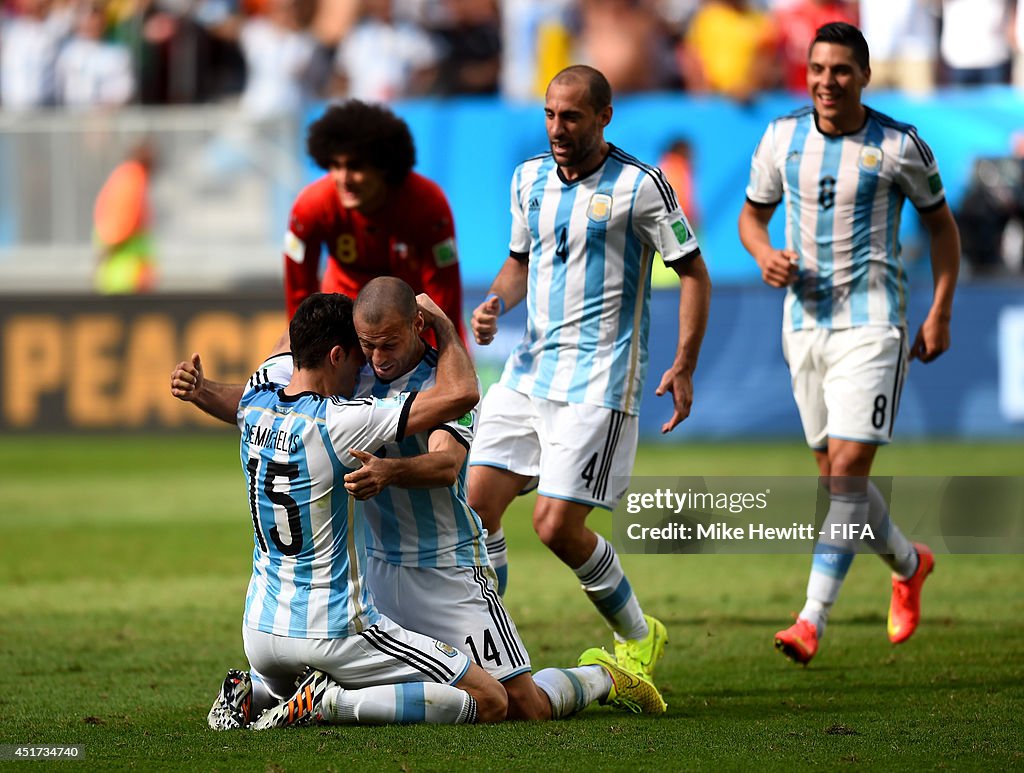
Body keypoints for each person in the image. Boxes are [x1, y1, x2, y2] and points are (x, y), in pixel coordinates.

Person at [173, 280, 667, 724]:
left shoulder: (440, 382)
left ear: (417, 325)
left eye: (389, 344)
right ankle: (273, 696)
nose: (380, 358)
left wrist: (391, 468)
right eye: (368, 346)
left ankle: (602, 675)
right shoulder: (349, 375)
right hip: (378, 573)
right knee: (371, 676)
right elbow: (261, 397)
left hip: (447, 570)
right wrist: (203, 390)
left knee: (524, 707)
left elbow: (446, 466)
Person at [467, 64, 712, 683]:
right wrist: (498, 300)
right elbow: (519, 263)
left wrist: (684, 363)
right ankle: (489, 651)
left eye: (571, 116)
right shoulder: (527, 180)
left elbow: (693, 274)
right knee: (475, 505)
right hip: (528, 373)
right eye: (550, 114)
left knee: (555, 525)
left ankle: (637, 634)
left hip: (599, 381)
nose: (557, 127)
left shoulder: (642, 185)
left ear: (604, 116)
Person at [173, 290, 508, 728]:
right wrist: (444, 324)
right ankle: (328, 703)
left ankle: (257, 693)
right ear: (335, 355)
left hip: (258, 631)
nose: (365, 369)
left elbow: (236, 396)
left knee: (284, 677)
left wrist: (201, 390)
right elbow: (462, 394)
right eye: (358, 357)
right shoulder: (341, 418)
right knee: (491, 699)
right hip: (331, 630)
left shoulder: (256, 399)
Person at [737, 22, 961, 665]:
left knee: (846, 477)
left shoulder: (898, 145)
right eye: (817, 69)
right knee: (840, 482)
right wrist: (762, 254)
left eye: (841, 71)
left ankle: (810, 620)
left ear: (864, 76)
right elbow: (752, 216)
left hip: (875, 323)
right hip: (803, 323)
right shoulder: (781, 137)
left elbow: (943, 231)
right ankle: (910, 564)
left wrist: (940, 310)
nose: (827, 82)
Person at [282, 101, 466, 343]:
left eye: (355, 167)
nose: (343, 179)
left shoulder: (428, 205)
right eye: (335, 166)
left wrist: (447, 348)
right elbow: (299, 291)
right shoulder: (311, 206)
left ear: (385, 167)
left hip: (409, 322)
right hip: (341, 323)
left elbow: (444, 293)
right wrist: (303, 346)